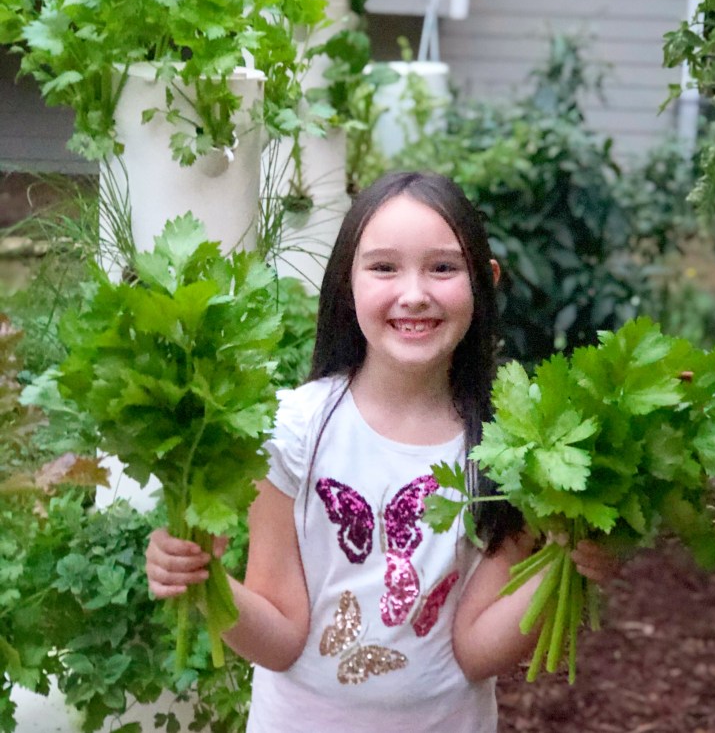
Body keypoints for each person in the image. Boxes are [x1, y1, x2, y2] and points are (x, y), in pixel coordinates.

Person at [145, 171, 616, 732]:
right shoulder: (294, 429)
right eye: (384, 267)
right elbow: (281, 639)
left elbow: (476, 651)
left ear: (484, 281)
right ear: (348, 282)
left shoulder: (510, 444)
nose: (413, 293)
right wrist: (205, 583)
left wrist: (570, 565)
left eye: (443, 268)